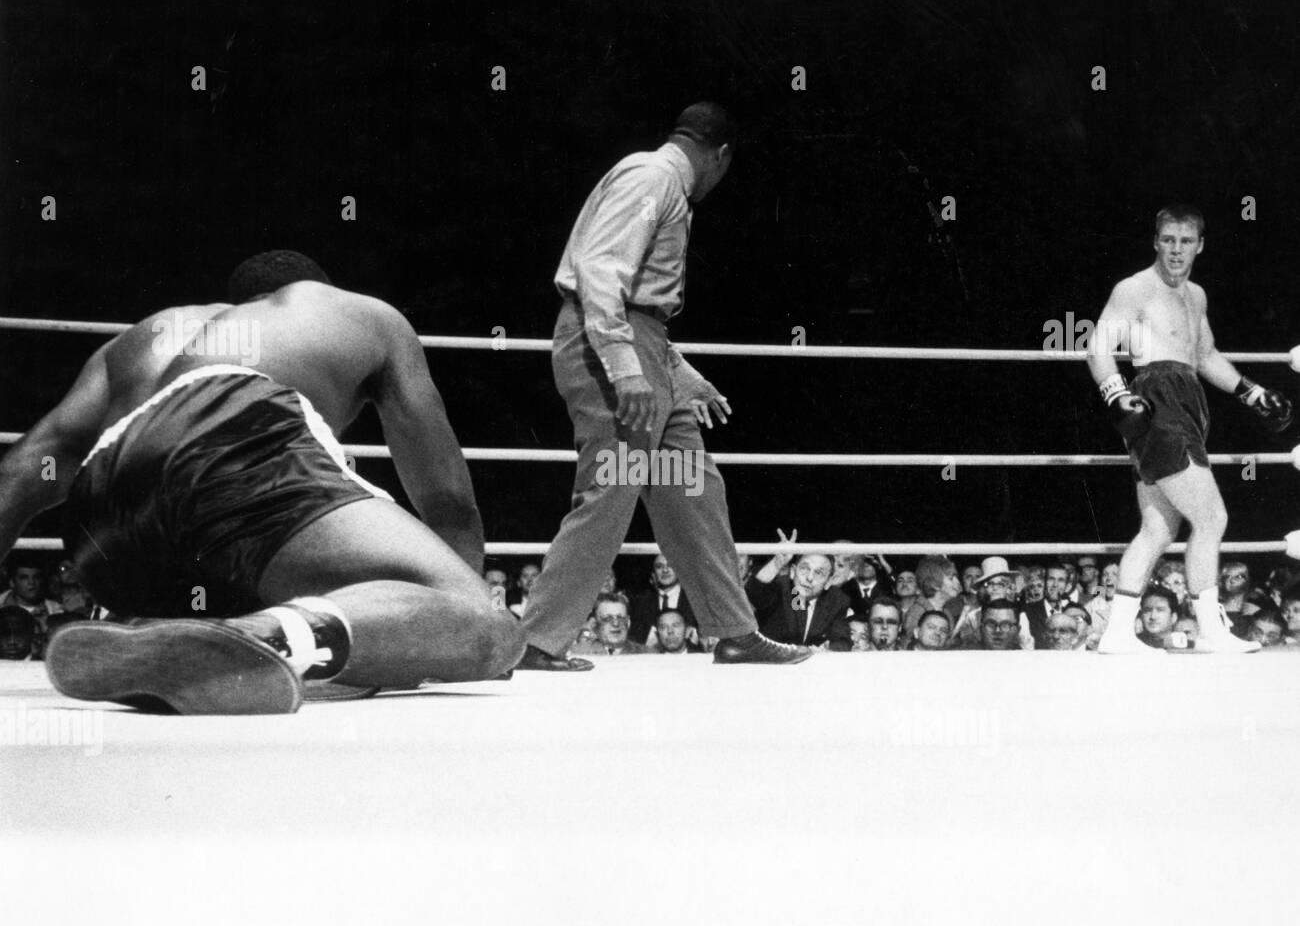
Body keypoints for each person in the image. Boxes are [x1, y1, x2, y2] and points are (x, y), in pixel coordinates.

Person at [0, 251, 523, 714]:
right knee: (488, 624)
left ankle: (148, 626)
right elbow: (448, 501)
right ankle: (260, 637)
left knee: (270, 588)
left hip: (105, 524)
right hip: (232, 433)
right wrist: (444, 628)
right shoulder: (353, 312)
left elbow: (24, 470)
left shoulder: (142, 338)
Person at [515, 103, 811, 669]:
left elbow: (644, 304)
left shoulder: (659, 181)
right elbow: (602, 270)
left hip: (642, 345)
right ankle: (536, 640)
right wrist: (626, 367)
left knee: (690, 486)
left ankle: (732, 630)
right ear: (720, 155)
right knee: (612, 486)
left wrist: (676, 372)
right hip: (610, 347)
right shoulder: (653, 177)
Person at [1089, 205, 1292, 653]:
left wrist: (1252, 392)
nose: (1176, 249)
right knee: (1211, 516)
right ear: (1155, 242)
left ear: (1199, 245)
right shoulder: (1135, 289)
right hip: (1156, 400)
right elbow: (1097, 346)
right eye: (1168, 240)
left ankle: (1117, 633)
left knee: (1158, 529)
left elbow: (1205, 357)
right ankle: (1211, 631)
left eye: (1185, 241)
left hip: (1189, 399)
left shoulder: (1195, 295)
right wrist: (1117, 395)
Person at [745, 539, 853, 651]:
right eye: (805, 569)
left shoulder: (836, 600)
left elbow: (842, 641)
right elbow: (755, 592)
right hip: (771, 661)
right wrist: (776, 563)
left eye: (818, 573)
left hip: (813, 665)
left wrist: (827, 649)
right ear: (792, 571)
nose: (809, 578)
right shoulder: (782, 588)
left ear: (828, 582)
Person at [629, 553, 697, 645]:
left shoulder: (694, 600)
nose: (665, 570)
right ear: (653, 573)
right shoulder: (641, 602)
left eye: (670, 565)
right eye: (659, 567)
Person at [570, 592, 645, 656]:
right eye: (607, 619)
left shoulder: (647, 654)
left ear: (628, 623)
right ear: (594, 624)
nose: (615, 623)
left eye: (620, 618)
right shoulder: (577, 653)